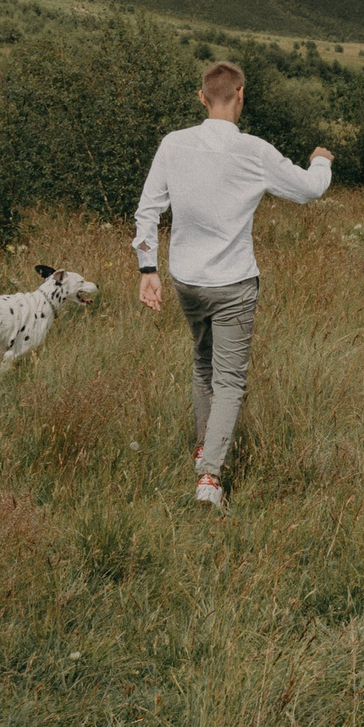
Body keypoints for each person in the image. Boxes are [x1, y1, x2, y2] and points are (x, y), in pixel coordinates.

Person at [133, 59, 334, 510]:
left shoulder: (173, 144)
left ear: (202, 98)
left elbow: (147, 211)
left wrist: (148, 270)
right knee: (229, 382)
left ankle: (207, 447)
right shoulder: (254, 151)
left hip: (187, 281)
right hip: (234, 284)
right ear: (241, 95)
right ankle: (210, 480)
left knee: (203, 366)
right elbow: (309, 190)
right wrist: (320, 162)